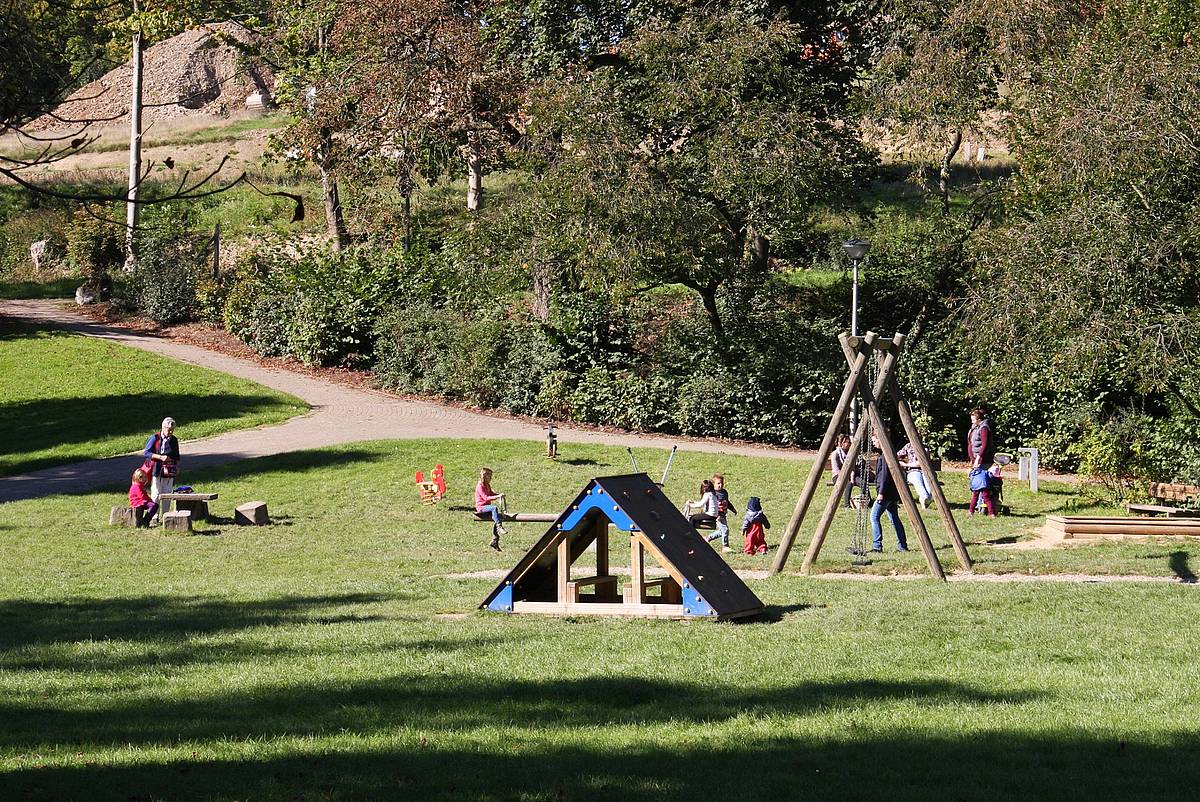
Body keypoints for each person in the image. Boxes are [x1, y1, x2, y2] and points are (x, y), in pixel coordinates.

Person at [870, 433, 909, 553]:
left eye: (874, 440)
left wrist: (881, 493)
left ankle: (877, 546)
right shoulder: (888, 455)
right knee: (894, 519)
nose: (873, 443)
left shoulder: (884, 457)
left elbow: (885, 476)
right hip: (892, 493)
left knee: (874, 517)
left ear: (880, 440)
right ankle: (902, 546)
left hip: (886, 493)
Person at [143, 417, 180, 517]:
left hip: (169, 471)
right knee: (156, 493)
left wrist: (176, 467)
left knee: (167, 493)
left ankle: (166, 515)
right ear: (163, 427)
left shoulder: (174, 440)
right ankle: (154, 516)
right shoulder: (155, 438)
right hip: (157, 469)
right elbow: (146, 453)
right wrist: (160, 457)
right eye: (169, 429)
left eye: (172, 430)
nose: (170, 432)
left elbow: (177, 456)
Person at [967, 407, 997, 517]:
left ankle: (982, 507)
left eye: (973, 420)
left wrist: (979, 457)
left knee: (981, 485)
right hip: (975, 459)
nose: (972, 421)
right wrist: (972, 459)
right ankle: (978, 507)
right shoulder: (974, 428)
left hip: (984, 459)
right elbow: (970, 443)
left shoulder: (984, 428)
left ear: (979, 420)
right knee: (976, 483)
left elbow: (984, 445)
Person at [475, 468, 507, 550]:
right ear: (485, 476)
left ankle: (495, 540)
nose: (491, 478)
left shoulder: (487, 485)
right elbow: (485, 498)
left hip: (487, 507)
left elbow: (491, 494)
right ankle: (499, 527)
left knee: (498, 517)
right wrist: (497, 497)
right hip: (481, 507)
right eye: (490, 476)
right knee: (494, 508)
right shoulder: (480, 486)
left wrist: (499, 495)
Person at [896, 440, 933, 508]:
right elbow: (896, 456)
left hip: (925, 471)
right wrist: (901, 462)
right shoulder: (908, 446)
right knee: (917, 480)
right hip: (913, 472)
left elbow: (921, 463)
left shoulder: (925, 448)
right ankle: (924, 498)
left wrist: (906, 465)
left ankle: (925, 499)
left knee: (929, 489)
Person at [710, 473, 738, 553]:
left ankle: (707, 538)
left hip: (723, 515)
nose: (720, 485)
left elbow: (727, 502)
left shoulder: (724, 492)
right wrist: (717, 515)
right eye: (718, 483)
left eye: (722, 483)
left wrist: (732, 509)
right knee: (725, 530)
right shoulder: (713, 494)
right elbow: (713, 506)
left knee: (721, 531)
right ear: (713, 484)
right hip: (717, 515)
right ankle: (725, 546)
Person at [830, 434, 854, 507]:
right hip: (837, 476)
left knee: (860, 482)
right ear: (841, 443)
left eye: (849, 442)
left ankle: (866, 500)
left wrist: (851, 477)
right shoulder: (835, 454)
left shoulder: (849, 453)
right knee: (848, 484)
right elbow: (836, 469)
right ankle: (847, 504)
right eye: (846, 442)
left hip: (848, 475)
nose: (848, 444)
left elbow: (852, 467)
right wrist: (846, 477)